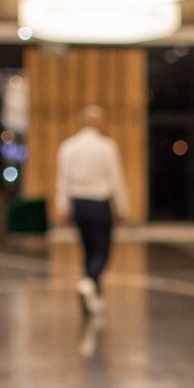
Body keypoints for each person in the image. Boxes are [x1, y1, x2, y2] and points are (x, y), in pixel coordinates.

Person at [55, 104, 129, 316]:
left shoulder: (68, 146)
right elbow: (116, 179)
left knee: (88, 249)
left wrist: (63, 207)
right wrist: (122, 207)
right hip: (99, 203)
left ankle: (93, 292)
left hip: (78, 204)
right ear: (99, 122)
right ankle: (89, 282)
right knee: (102, 250)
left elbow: (62, 180)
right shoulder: (107, 147)